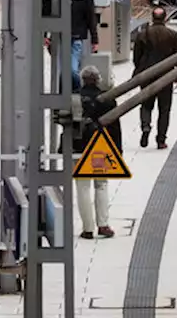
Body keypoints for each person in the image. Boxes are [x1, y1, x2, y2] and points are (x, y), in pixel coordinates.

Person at [73, 65, 120, 239]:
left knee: (82, 187)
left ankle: (87, 228)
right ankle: (104, 225)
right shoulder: (107, 99)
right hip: (100, 148)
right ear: (99, 79)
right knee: (102, 185)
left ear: (82, 79)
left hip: (79, 148)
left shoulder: (75, 98)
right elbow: (115, 127)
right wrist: (117, 149)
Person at [133, 7, 177, 149]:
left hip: (147, 75)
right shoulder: (172, 34)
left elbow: (136, 58)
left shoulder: (142, 34)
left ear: (152, 18)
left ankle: (145, 126)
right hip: (166, 76)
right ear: (165, 18)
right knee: (164, 109)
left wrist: (140, 71)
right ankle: (161, 140)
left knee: (146, 105)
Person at [69, 0, 100, 90]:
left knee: (72, 70)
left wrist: (94, 39)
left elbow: (91, 16)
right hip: (60, 36)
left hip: (76, 35)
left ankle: (77, 91)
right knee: (62, 71)